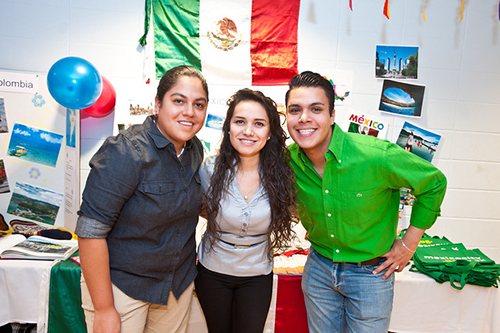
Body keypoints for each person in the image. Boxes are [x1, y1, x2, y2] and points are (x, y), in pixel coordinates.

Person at [284, 71, 447, 333]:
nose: (304, 118)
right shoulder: (288, 160)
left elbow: (434, 182)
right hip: (319, 268)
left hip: (370, 275)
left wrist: (409, 244)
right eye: (295, 110)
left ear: (332, 115)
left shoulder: (376, 156)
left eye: (316, 108)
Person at [75, 65, 209, 333]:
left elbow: (192, 205)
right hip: (122, 287)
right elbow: (91, 231)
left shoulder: (195, 149)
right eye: (178, 101)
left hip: (176, 285)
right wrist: (104, 309)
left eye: (199, 104)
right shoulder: (125, 150)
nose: (189, 112)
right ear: (158, 104)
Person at [195, 88, 296, 333]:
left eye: (259, 124)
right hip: (212, 272)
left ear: (270, 132)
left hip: (257, 274)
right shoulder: (209, 169)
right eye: (240, 121)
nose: (248, 131)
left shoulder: (284, 174)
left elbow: (297, 210)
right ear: (228, 126)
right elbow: (200, 207)